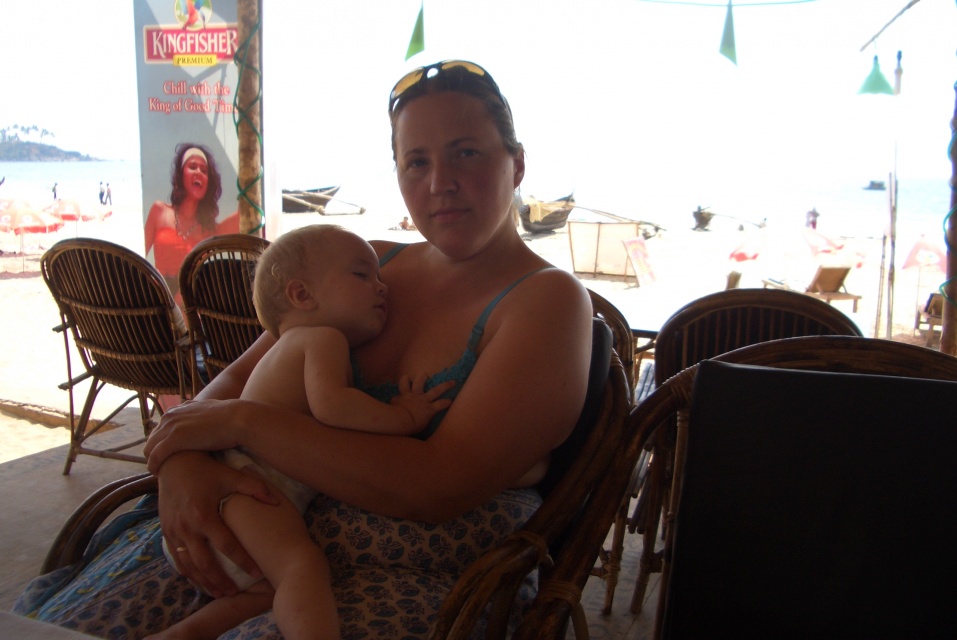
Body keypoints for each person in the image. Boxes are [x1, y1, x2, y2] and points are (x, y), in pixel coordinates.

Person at [14, 59, 593, 638]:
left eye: (466, 152)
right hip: (242, 532)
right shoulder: (367, 265)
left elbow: (439, 485)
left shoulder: (548, 302)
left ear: (517, 163)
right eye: (416, 161)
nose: (440, 182)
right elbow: (233, 384)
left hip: (408, 574)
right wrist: (183, 465)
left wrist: (241, 425)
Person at [150, 224, 454, 640]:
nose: (382, 287)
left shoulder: (286, 346)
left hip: (230, 498)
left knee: (269, 587)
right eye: (362, 275)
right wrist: (404, 418)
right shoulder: (323, 339)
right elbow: (332, 406)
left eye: (378, 277)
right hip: (248, 484)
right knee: (302, 569)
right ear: (302, 295)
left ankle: (183, 633)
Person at [143, 142, 239, 302]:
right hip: (161, 301)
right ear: (181, 174)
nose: (198, 172)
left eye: (204, 170)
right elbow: (138, 258)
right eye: (192, 167)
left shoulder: (211, 230)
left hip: (191, 305)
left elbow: (247, 209)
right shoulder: (159, 211)